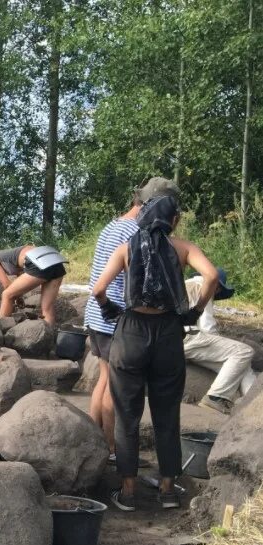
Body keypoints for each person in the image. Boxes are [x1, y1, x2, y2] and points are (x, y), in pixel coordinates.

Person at [92, 195, 219, 512]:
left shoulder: (125, 249)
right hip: (168, 334)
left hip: (131, 332)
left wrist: (111, 311)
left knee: (127, 416)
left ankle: (128, 492)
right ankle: (167, 491)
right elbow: (212, 276)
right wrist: (194, 311)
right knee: (167, 416)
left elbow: (98, 290)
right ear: (173, 221)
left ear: (141, 219)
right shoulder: (183, 248)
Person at [84, 177, 181, 461]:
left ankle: (94, 444)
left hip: (95, 313)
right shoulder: (135, 232)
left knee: (103, 381)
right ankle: (114, 450)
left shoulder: (113, 225)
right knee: (116, 391)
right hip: (117, 317)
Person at [183, 269, 257, 414]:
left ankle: (254, 403)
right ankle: (215, 398)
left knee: (241, 365)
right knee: (244, 351)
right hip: (186, 337)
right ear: (217, 286)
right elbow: (207, 327)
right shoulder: (203, 286)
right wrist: (224, 344)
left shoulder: (185, 285)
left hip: (170, 340)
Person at [0, 246, 65, 326]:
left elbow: (6, 284)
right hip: (55, 260)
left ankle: (2, 329)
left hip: (38, 262)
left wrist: (14, 296)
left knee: (6, 295)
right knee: (47, 309)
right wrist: (18, 296)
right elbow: (21, 278)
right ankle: (49, 333)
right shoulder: (12, 257)